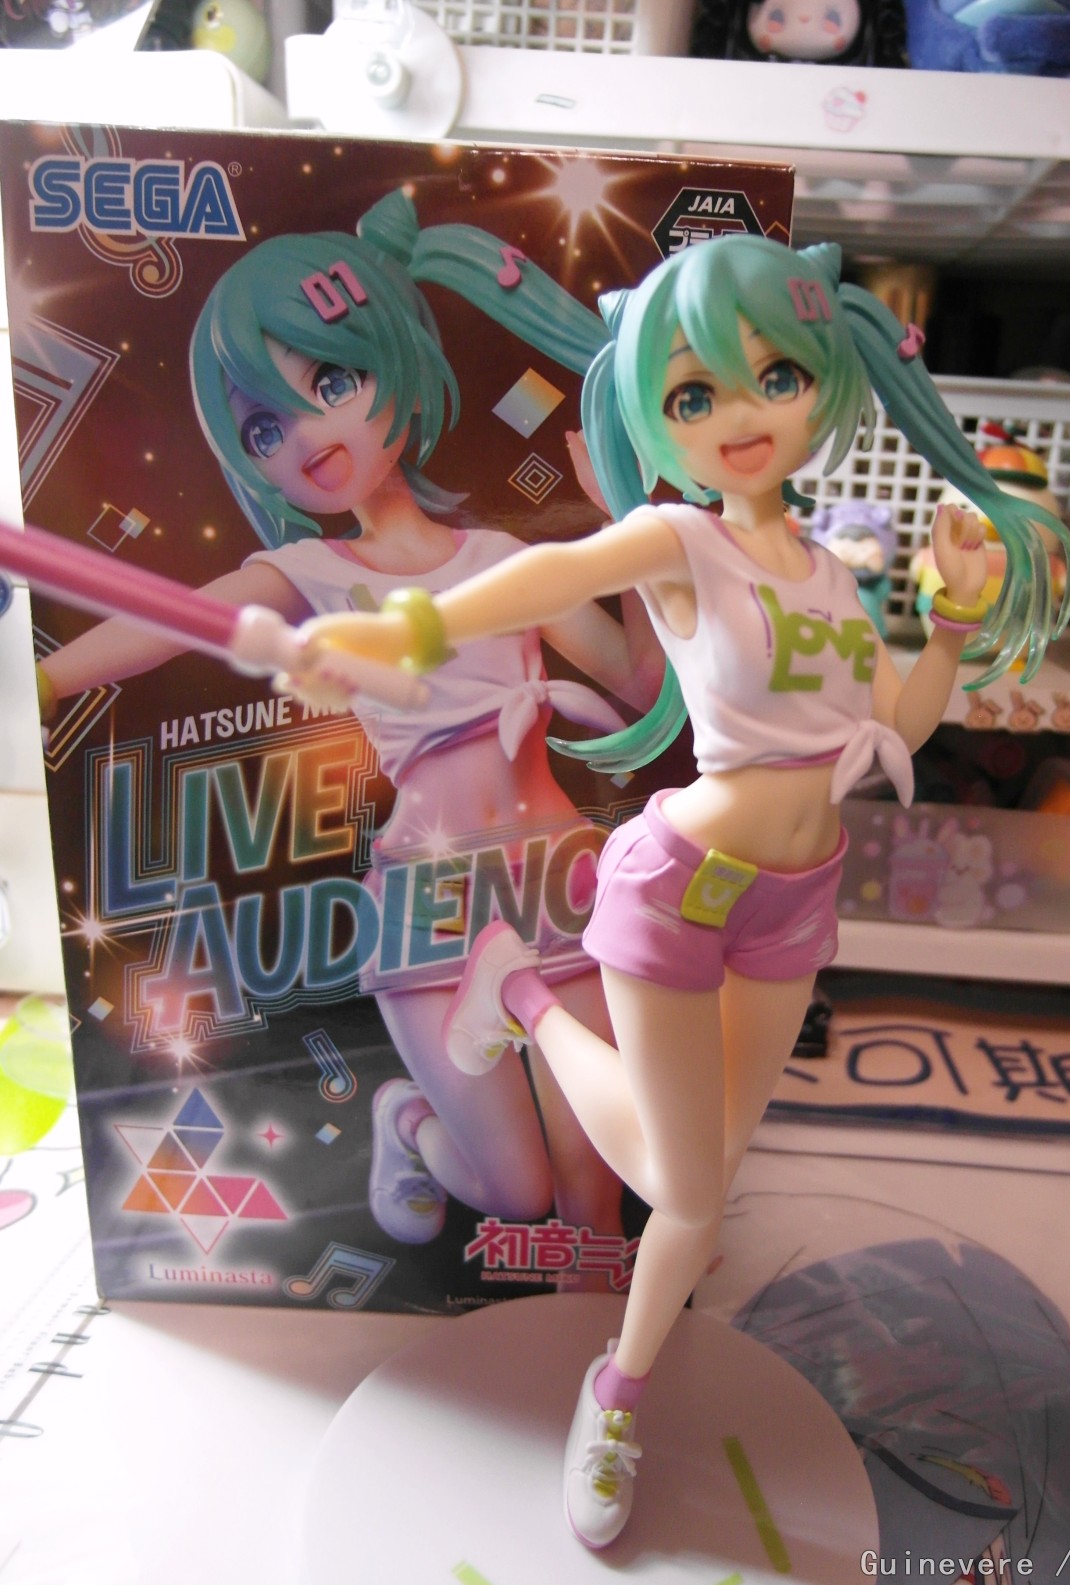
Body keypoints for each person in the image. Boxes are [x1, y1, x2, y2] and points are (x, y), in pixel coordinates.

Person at [287, 233, 1070, 1547]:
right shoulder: (678, 540)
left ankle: (616, 1338)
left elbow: (895, 723)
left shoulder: (833, 573)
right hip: (682, 891)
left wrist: (948, 624)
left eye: (775, 375)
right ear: (657, 418)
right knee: (687, 1188)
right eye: (694, 394)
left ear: (823, 382)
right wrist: (406, 625)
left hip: (796, 898)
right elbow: (547, 578)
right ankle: (607, 1348)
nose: (739, 415)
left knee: (701, 1189)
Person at [35, 188, 663, 1254]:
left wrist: (635, 530)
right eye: (264, 427)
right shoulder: (308, 570)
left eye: (331, 381)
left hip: (555, 880)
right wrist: (43, 679)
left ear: (394, 359)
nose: (306, 436)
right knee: (515, 1193)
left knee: (592, 1198)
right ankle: (406, 1120)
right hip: (425, 901)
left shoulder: (508, 562)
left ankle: (591, 1348)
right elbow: (173, 619)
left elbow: (644, 686)